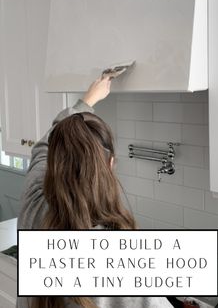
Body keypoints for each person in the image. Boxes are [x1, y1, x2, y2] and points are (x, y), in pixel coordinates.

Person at [17, 76, 173, 308]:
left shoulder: (35, 204)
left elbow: (45, 142)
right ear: (110, 165)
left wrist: (87, 100)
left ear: (54, 162)